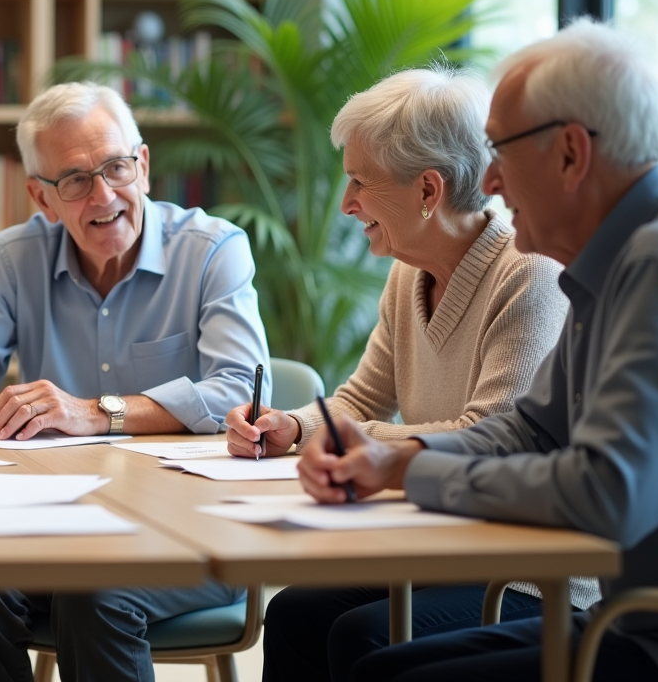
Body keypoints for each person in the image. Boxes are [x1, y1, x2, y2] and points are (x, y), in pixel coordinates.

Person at [299, 19, 658, 682]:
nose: (491, 180)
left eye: (501, 151)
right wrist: (401, 453)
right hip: (628, 620)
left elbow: (607, 490)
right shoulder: (615, 262)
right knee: (360, 654)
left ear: (570, 154)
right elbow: (532, 428)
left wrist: (405, 473)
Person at [223, 67, 593, 682]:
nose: (346, 204)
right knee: (292, 615)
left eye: (360, 183)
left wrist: (366, 447)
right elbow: (364, 398)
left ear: (428, 189)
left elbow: (493, 432)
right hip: (441, 543)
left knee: (359, 635)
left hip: (525, 568)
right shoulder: (407, 271)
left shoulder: (528, 273)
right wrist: (292, 424)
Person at [0, 81, 270, 682]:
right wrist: (22, 406)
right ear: (41, 197)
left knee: (94, 594)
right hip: (53, 525)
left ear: (145, 165)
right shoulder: (12, 258)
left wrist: (93, 411)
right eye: (75, 180)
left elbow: (238, 389)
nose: (103, 194)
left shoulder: (213, 250)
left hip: (193, 532)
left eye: (116, 166)